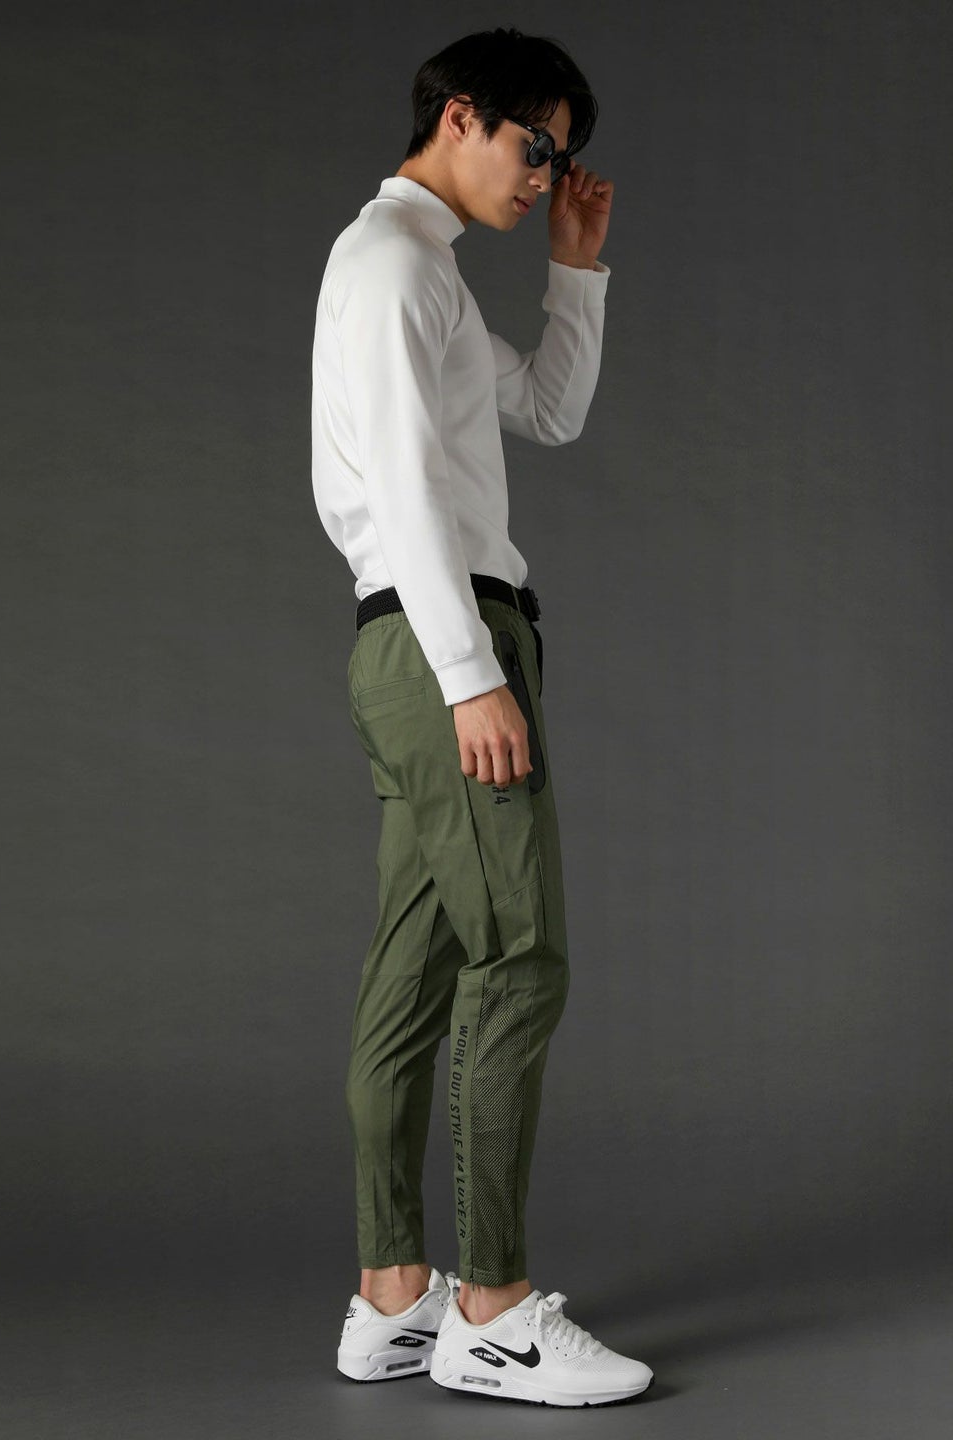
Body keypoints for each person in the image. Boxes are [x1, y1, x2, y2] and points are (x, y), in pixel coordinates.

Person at [311, 27, 652, 1407]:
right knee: (520, 961)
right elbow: (402, 488)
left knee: (414, 977)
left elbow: (548, 413)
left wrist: (576, 268)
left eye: (560, 156)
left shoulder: (422, 272)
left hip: (419, 638)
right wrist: (470, 673)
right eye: (535, 145)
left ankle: (394, 1297)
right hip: (441, 635)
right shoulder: (395, 263)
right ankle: (495, 1314)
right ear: (460, 115)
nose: (546, 172)